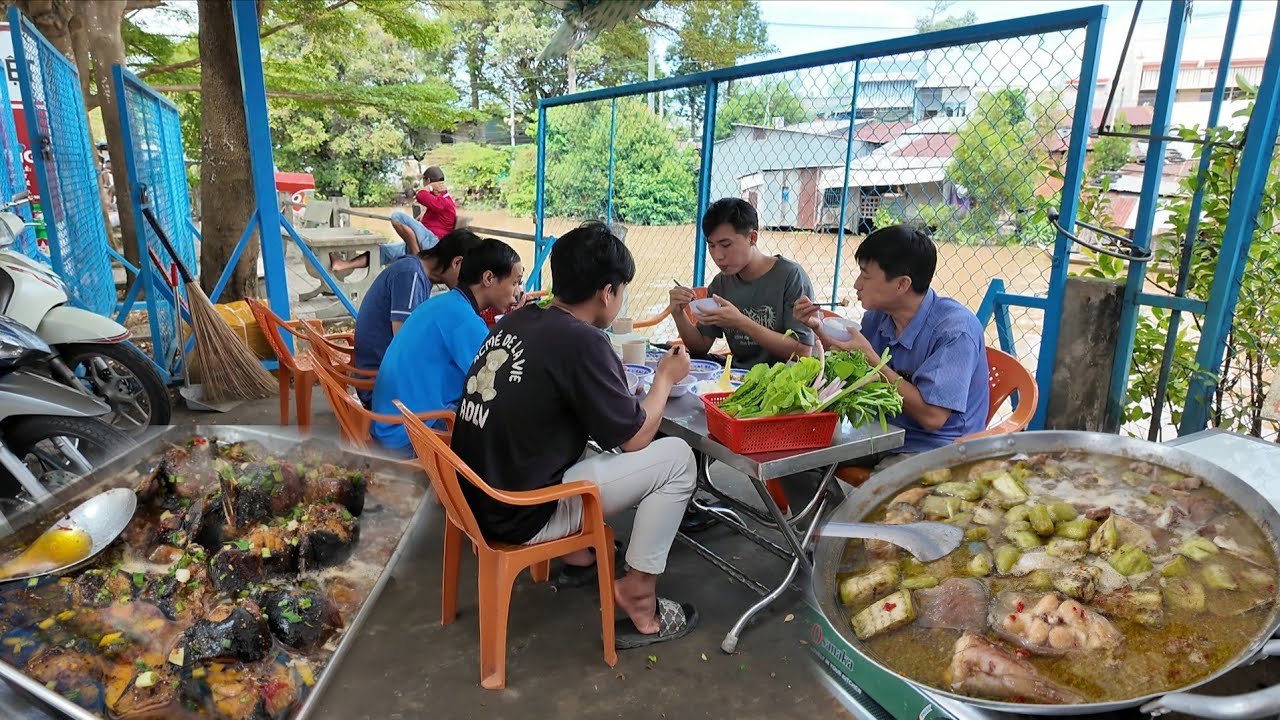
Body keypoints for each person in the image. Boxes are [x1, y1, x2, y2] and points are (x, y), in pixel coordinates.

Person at [450, 221, 700, 649]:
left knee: (580, 440)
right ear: (607, 292)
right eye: (621, 291)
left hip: (471, 495)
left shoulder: (519, 319)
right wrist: (664, 379)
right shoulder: (582, 339)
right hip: (518, 512)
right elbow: (635, 439)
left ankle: (578, 554)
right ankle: (639, 594)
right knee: (677, 457)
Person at [794, 223, 988, 466]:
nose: (857, 284)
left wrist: (873, 361)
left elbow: (933, 417)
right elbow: (851, 367)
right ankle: (833, 503)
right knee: (792, 456)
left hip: (938, 448)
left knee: (879, 490)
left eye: (866, 275)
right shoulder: (878, 316)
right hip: (880, 434)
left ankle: (842, 504)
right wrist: (818, 328)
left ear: (901, 284)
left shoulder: (955, 331)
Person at [370, 238, 524, 453]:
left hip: (388, 423)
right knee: (510, 419)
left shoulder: (445, 303)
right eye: (515, 282)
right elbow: (500, 381)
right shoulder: (463, 318)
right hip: (407, 435)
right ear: (488, 278)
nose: (517, 292)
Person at [669, 197, 816, 367]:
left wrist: (740, 321)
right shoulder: (720, 284)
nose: (718, 256)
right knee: (669, 355)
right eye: (712, 246)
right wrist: (678, 313)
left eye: (726, 245)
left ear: (752, 238)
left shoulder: (791, 277)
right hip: (734, 376)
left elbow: (802, 352)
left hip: (781, 382)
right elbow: (700, 347)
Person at [352, 228, 481, 404]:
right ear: (457, 263)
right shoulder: (410, 276)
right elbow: (405, 342)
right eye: (472, 275)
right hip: (382, 388)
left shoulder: (414, 271)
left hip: (381, 376)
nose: (472, 284)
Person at [331, 166, 457, 273]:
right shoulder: (440, 201)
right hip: (424, 242)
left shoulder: (444, 201)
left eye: (424, 182)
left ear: (428, 181)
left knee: (397, 216)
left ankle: (417, 258)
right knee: (383, 251)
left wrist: (428, 188)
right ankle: (343, 265)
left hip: (433, 243)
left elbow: (420, 196)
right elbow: (431, 209)